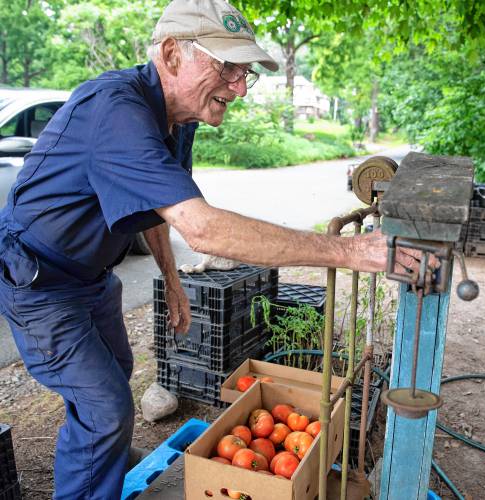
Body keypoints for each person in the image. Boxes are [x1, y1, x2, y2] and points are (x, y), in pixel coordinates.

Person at [0, 0, 428, 498]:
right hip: (41, 282)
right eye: (226, 67)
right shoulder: (116, 112)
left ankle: (105, 461)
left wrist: (174, 280)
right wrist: (351, 252)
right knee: (106, 407)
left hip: (93, 277)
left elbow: (160, 204)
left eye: (246, 72)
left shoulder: (178, 116)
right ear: (171, 54)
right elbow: (199, 227)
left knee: (112, 382)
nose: (240, 86)